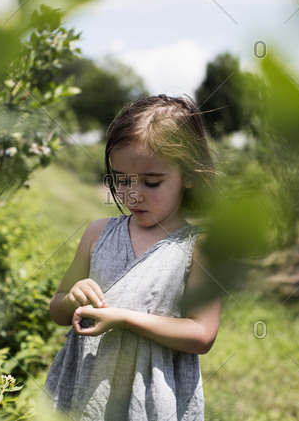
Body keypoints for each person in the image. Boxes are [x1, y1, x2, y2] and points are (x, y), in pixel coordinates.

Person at [40, 95, 221, 421]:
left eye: (152, 181)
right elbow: (57, 309)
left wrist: (125, 319)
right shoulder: (98, 234)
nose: (132, 194)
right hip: (86, 391)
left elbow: (202, 334)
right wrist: (73, 298)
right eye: (122, 179)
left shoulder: (198, 248)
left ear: (189, 174)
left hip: (149, 401)